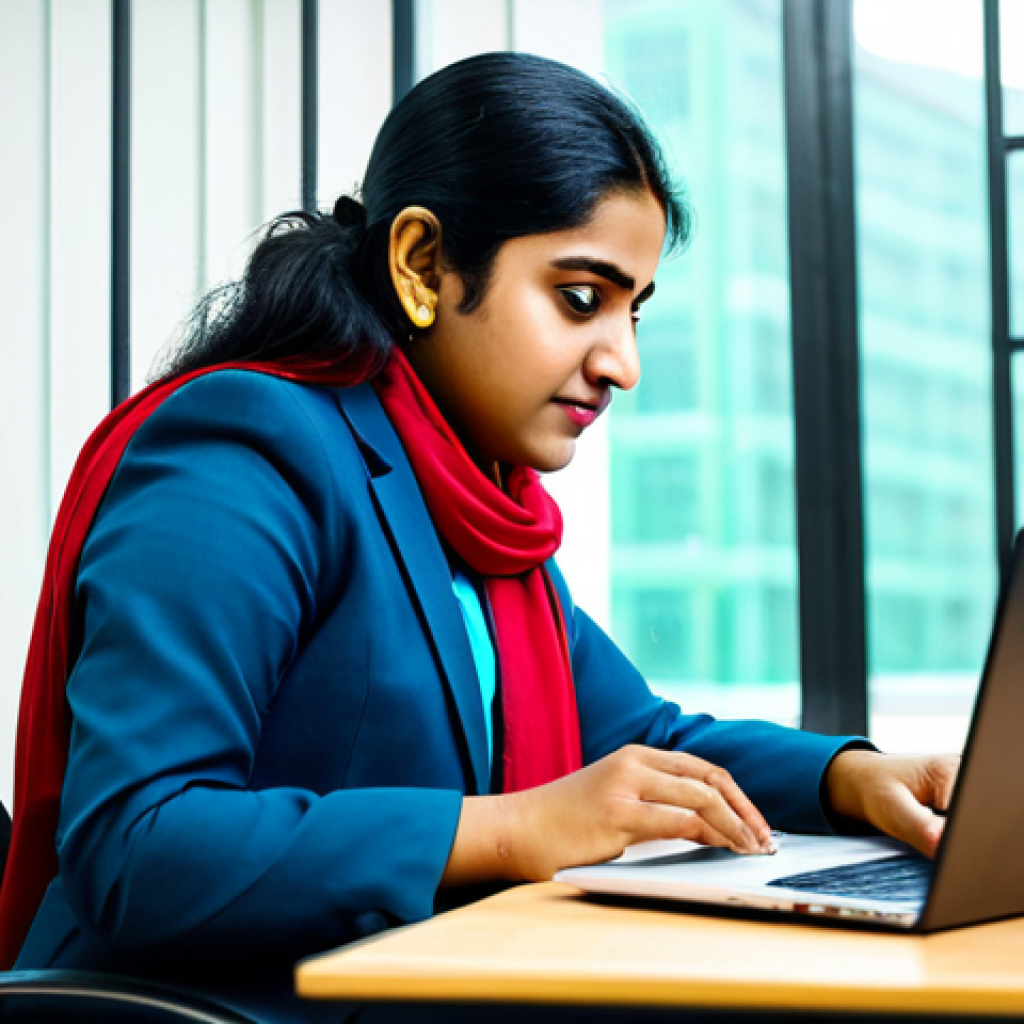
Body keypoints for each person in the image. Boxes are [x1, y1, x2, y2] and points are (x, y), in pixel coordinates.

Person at [0, 52, 958, 1022]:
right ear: (421, 264)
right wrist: (509, 830)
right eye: (581, 298)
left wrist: (854, 778)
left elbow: (641, 743)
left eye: (634, 310)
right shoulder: (247, 449)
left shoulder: (477, 510)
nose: (621, 362)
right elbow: (139, 838)